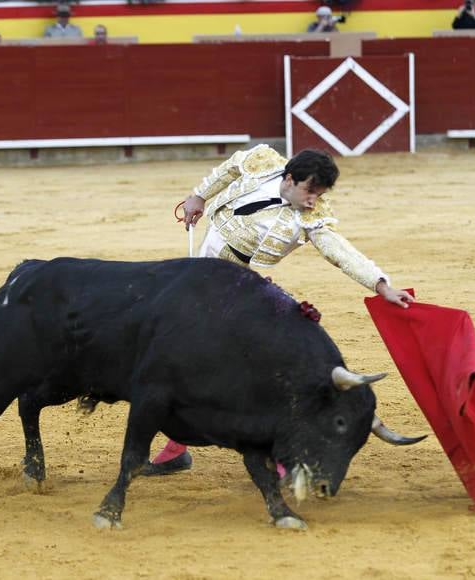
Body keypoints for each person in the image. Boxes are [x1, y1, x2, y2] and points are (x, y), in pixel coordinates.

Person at [145, 145, 414, 476]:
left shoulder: (312, 217)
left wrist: (381, 285)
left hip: (240, 291)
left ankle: (279, 452)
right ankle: (179, 447)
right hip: (202, 273)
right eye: (310, 190)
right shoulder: (263, 162)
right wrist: (198, 197)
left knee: (244, 369)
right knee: (180, 358)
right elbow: (229, 169)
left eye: (320, 193)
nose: (314, 199)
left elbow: (341, 252)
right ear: (289, 178)